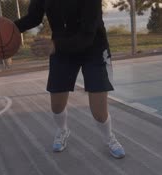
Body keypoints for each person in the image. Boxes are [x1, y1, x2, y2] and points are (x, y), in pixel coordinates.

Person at [14, 0, 126, 158]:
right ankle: (62, 130)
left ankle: (109, 138)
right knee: (57, 106)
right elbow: (34, 17)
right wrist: (8, 29)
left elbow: (87, 34)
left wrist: (54, 46)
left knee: (99, 112)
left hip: (93, 46)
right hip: (61, 47)